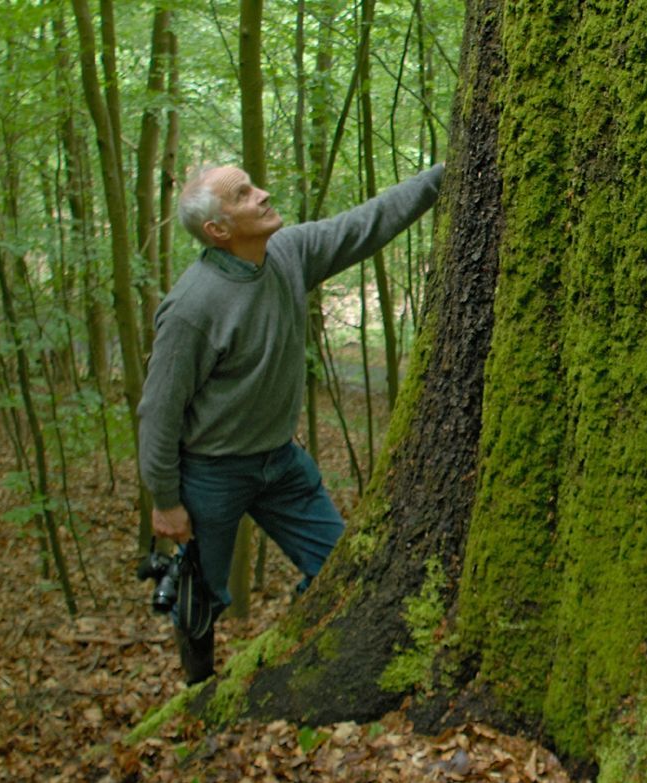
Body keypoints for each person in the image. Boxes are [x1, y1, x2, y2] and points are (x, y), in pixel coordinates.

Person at [137, 162, 444, 684]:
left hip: (279, 462)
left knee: (342, 565)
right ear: (219, 230)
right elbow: (159, 410)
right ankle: (199, 692)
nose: (262, 194)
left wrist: (442, 175)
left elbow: (365, 224)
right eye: (243, 195)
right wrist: (165, 498)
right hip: (210, 474)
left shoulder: (288, 253)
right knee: (199, 597)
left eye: (253, 185)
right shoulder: (191, 307)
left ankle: (292, 651)